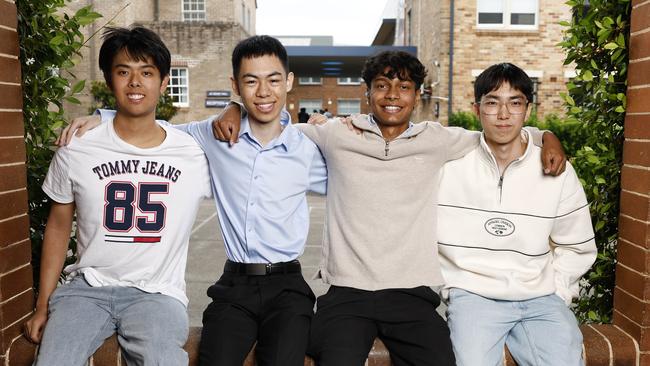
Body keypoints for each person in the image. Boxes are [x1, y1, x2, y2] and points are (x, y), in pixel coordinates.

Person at [213, 51, 567, 365]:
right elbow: (272, 121)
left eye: (404, 87)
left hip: (410, 294)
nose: (393, 96)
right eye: (382, 86)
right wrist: (236, 107)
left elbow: (498, 132)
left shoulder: (437, 139)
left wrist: (545, 135)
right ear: (367, 93)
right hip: (347, 293)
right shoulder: (337, 134)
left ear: (417, 95)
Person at [56, 35, 326, 366]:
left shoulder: (310, 147)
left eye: (273, 80)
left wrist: (328, 127)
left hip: (288, 283)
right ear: (235, 85)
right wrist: (104, 117)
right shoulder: (211, 136)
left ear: (289, 82)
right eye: (250, 81)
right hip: (235, 283)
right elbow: (151, 126)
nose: (264, 91)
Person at [23, 26, 212, 366]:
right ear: (110, 82)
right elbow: (57, 227)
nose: (135, 82)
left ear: (164, 82)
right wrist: (42, 305)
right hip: (86, 290)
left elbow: (249, 134)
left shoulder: (192, 152)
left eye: (147, 73)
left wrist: (234, 107)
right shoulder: (78, 146)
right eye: (124, 72)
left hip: (157, 294)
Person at [437, 63, 596, 366]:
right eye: (493, 102)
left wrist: (558, 289)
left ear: (527, 109)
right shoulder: (448, 165)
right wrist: (449, 285)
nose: (503, 114)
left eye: (515, 102)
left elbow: (577, 245)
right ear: (476, 108)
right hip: (473, 295)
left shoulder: (555, 167)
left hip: (540, 298)